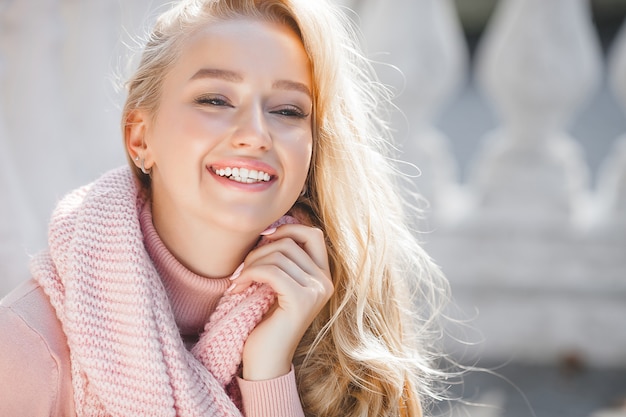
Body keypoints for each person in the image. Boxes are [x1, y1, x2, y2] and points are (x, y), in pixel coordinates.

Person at [0, 0, 449, 415]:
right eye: (214, 99)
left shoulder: (342, 328)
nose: (255, 134)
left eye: (289, 110)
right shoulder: (27, 346)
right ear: (140, 138)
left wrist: (270, 371)